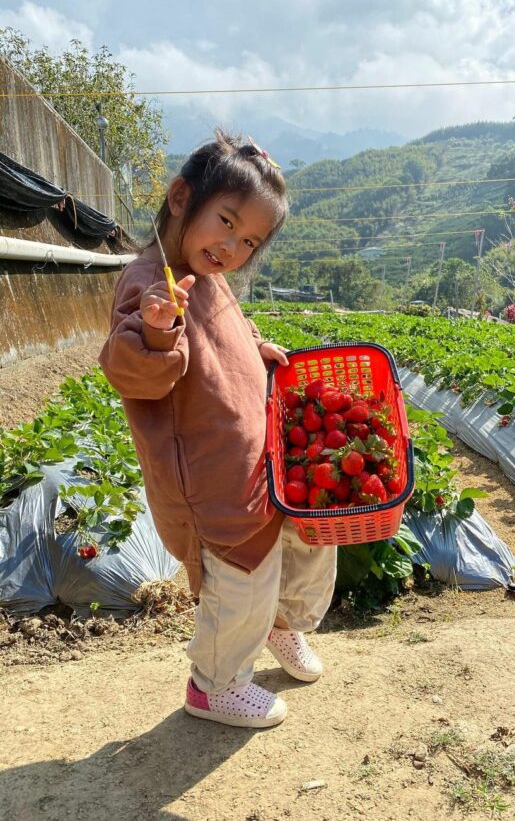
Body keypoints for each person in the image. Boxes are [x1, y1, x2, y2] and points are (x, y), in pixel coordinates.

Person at [99, 131, 337, 729]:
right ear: (182, 198)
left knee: (301, 545)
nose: (232, 247)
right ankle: (216, 685)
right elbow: (133, 373)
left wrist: (256, 346)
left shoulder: (210, 274)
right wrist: (158, 330)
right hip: (210, 484)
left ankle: (279, 626)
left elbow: (230, 324)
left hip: (256, 462)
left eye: (249, 240)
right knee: (239, 581)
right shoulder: (151, 284)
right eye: (226, 222)